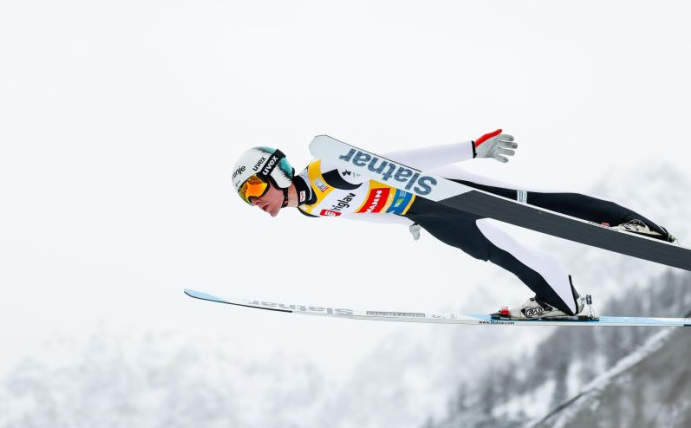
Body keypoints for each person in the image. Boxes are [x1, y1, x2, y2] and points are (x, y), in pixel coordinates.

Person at [230, 131, 676, 319]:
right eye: (248, 200)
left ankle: (631, 224)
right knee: (494, 251)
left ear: (275, 171)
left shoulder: (328, 168)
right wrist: (400, 220)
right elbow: (360, 210)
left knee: (535, 205)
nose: (256, 204)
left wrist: (471, 149)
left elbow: (401, 163)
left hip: (438, 187)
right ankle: (560, 297)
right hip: (421, 212)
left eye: (253, 191)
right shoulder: (309, 208)